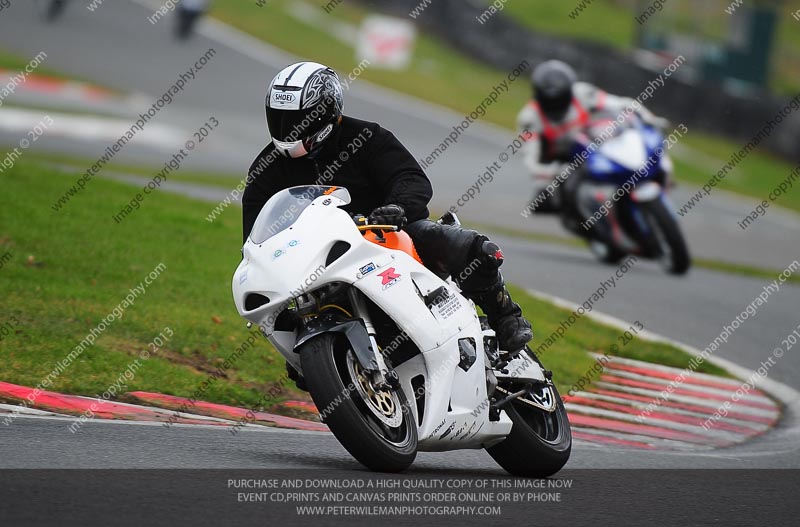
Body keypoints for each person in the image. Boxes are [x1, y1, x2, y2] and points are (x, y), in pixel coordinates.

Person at [242, 62, 533, 383]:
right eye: (279, 118)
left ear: (324, 112)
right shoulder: (266, 169)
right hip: (320, 259)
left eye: (297, 120)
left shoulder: (366, 137)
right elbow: (256, 237)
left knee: (467, 246)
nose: (287, 128)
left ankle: (505, 315)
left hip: (388, 235)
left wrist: (398, 208)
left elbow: (409, 177)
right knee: (290, 330)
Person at [517, 60, 669, 232]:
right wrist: (545, 173)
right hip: (559, 161)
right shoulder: (529, 118)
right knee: (546, 198)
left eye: (559, 99)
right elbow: (530, 153)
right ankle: (586, 221)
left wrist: (649, 118)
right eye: (550, 101)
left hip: (589, 144)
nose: (555, 105)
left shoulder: (582, 93)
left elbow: (621, 103)